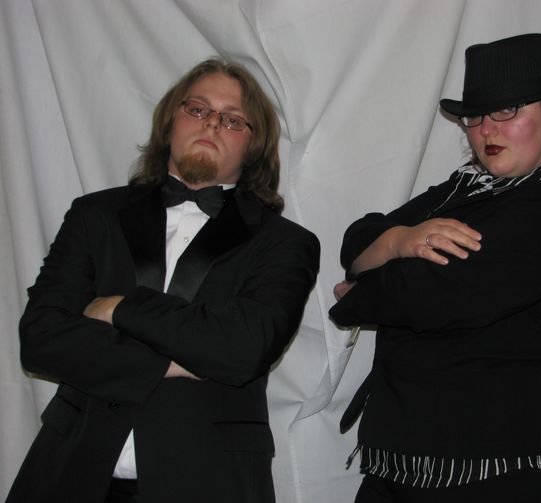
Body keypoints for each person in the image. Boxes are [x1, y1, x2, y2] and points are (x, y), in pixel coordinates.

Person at [7, 58, 320, 503]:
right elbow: (41, 338)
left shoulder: (285, 243)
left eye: (232, 120)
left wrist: (118, 307)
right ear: (171, 120)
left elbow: (242, 350)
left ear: (255, 145)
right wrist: (175, 361)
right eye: (198, 109)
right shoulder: (95, 215)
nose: (211, 124)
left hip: (209, 484)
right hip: (71, 475)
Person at [330, 33, 541, 502]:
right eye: (475, 116)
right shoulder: (464, 189)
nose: (486, 130)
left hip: (510, 468)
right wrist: (400, 241)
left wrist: (360, 292)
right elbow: (358, 239)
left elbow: (431, 294)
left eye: (508, 110)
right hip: (405, 461)